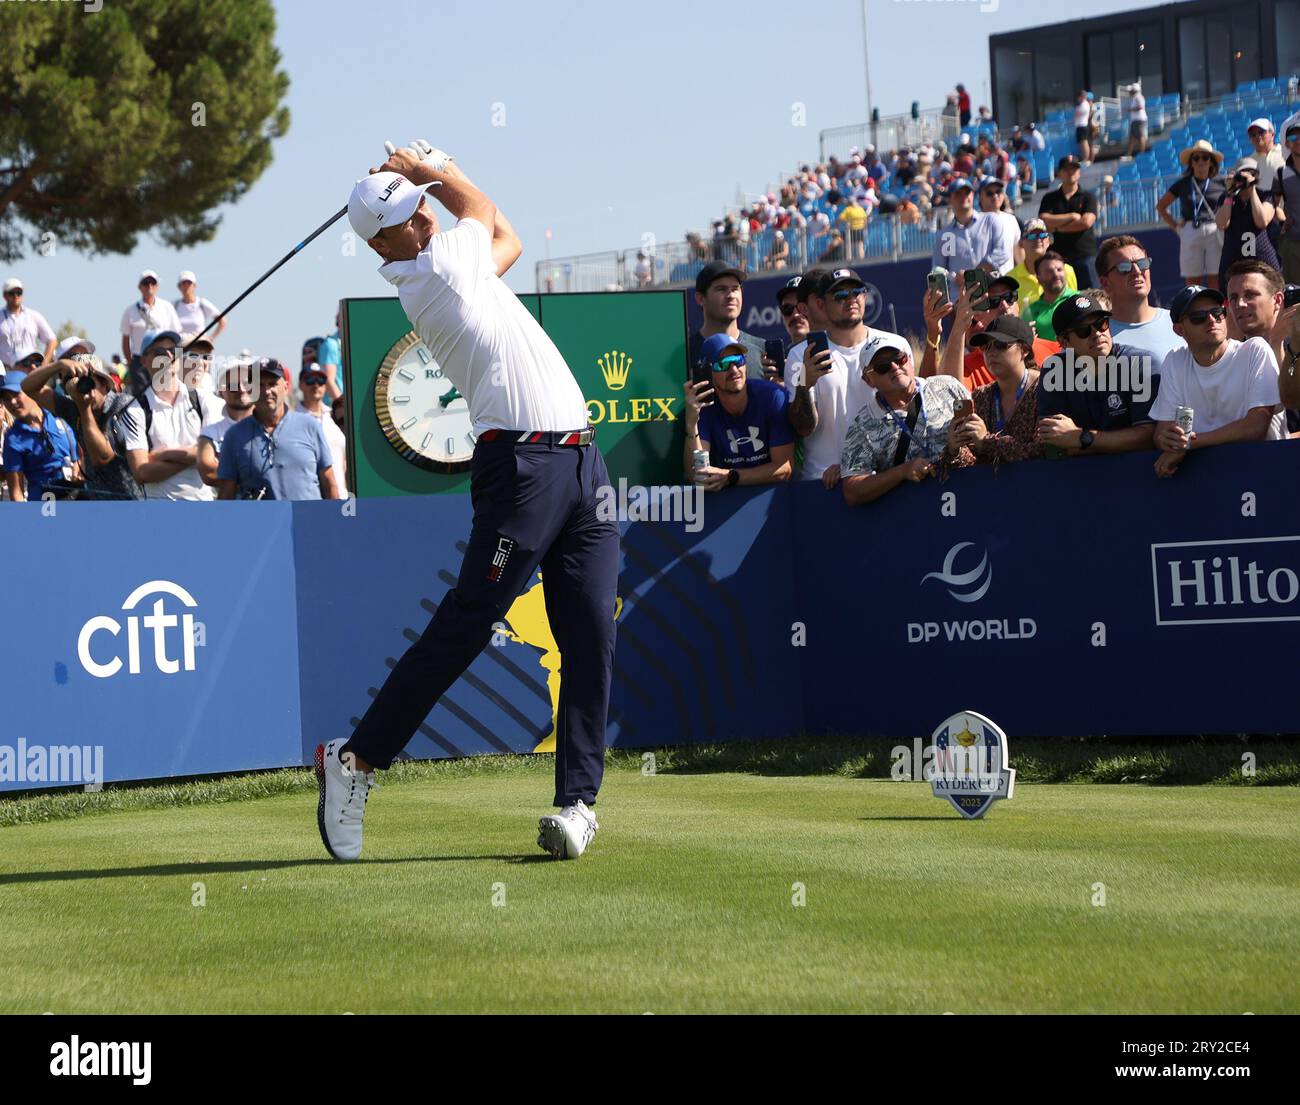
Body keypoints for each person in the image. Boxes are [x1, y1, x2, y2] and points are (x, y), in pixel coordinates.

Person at [321, 139, 619, 865]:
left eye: (419, 204)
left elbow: (505, 235)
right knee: (469, 621)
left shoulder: (458, 265)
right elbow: (481, 211)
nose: (422, 214)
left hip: (583, 462)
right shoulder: (438, 275)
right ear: (381, 242)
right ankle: (356, 761)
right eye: (405, 213)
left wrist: (426, 181)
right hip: (523, 468)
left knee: (589, 634)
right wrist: (437, 167)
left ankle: (577, 805)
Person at [1149, 285, 1285, 479]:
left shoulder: (1255, 349)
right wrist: (1168, 441)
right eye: (1198, 317)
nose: (1211, 320)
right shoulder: (1175, 360)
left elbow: (1256, 427)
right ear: (1179, 330)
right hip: (1207, 477)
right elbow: (1162, 432)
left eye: (1217, 312)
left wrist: (1189, 443)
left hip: (1265, 472)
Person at [789, 268, 903, 482]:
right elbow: (802, 428)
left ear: (865, 296)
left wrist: (856, 464)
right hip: (824, 480)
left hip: (883, 476)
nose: (850, 299)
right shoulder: (800, 356)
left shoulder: (895, 346)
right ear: (821, 305)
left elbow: (908, 411)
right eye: (840, 295)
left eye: (857, 291)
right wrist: (805, 384)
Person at [839, 334, 973, 504]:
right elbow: (852, 491)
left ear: (909, 360)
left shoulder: (947, 386)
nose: (895, 367)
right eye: (882, 367)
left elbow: (980, 432)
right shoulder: (862, 426)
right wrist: (902, 472)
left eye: (900, 359)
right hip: (914, 514)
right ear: (868, 380)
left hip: (966, 497)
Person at [1035, 291, 1158, 456]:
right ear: (1064, 341)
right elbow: (1054, 442)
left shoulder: (1139, 363)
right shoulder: (1054, 370)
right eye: (1084, 330)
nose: (1097, 334)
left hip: (1135, 473)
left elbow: (1147, 437)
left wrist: (1082, 438)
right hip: (1080, 476)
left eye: (1102, 323)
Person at [120, 329, 225, 500]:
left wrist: (165, 454)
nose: (169, 355)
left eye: (174, 350)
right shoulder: (134, 410)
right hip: (159, 517)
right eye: (160, 352)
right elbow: (141, 472)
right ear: (144, 361)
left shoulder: (204, 400)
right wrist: (195, 456)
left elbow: (213, 458)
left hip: (203, 512)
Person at [217, 358, 340, 501]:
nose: (266, 391)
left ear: (286, 387)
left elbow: (329, 482)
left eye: (272, 384)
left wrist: (335, 518)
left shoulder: (310, 425)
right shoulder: (234, 435)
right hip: (260, 522)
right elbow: (226, 492)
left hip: (308, 521)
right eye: (259, 385)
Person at [682, 333, 793, 490]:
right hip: (725, 504)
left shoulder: (772, 397)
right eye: (723, 364)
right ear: (708, 372)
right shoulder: (703, 407)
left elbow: (785, 469)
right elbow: (697, 475)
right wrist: (692, 423)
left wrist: (730, 477)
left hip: (770, 499)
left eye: (738, 360)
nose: (734, 370)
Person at [949, 314, 1043, 464]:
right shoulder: (981, 396)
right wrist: (955, 449)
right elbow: (972, 460)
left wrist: (986, 442)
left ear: (1025, 349)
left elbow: (1042, 452)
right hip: (991, 487)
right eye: (985, 347)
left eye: (1000, 344)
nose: (991, 352)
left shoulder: (1045, 390)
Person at [1225, 260, 1300, 430]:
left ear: (1277, 300)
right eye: (1233, 298)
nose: (1240, 304)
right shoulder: (1228, 357)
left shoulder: (1297, 345)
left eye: (1250, 295)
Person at [1098, 235, 1184, 362]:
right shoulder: (1095, 337)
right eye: (1124, 267)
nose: (1137, 271)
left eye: (1142, 264)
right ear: (1105, 283)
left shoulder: (1178, 323)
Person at [0, 369, 80, 501]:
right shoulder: (13, 438)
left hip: (78, 500)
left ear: (29, 391)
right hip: (44, 509)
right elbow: (17, 493)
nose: (12, 402)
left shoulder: (59, 417)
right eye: (6, 399)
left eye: (16, 394)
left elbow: (79, 460)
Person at [1158, 141, 1227, 289]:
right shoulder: (1183, 183)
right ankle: (1194, 309)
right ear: (1191, 163)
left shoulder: (1222, 181)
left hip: (1215, 229)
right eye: (1196, 158)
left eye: (1205, 158)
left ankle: (1216, 309)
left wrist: (1226, 222)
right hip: (1190, 229)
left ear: (1211, 161)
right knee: (1192, 280)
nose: (1201, 161)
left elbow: (1232, 202)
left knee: (1215, 276)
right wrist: (1176, 227)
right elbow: (1161, 206)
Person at [689, 259, 765, 379]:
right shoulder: (685, 354)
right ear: (700, 298)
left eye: (735, 289)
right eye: (721, 289)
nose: (730, 296)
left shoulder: (762, 350)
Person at [1215, 157, 1280, 288]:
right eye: (1243, 173)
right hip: (1233, 262)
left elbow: (1261, 221)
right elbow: (1222, 224)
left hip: (1263, 260)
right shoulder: (1227, 198)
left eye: (1252, 173)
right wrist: (1229, 193)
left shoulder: (1266, 196)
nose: (1247, 177)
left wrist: (1252, 190)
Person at [1038, 156, 1100, 287]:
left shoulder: (1088, 197)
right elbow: (1044, 221)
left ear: (1079, 172)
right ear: (1060, 173)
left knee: (1091, 298)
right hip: (1059, 260)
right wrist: (1072, 216)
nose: (1070, 172)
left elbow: (1086, 222)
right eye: (1066, 169)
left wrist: (1058, 227)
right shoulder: (1050, 198)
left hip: (1084, 256)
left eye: (1074, 169)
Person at [197, 356, 256, 487]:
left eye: (247, 384)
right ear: (221, 392)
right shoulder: (210, 434)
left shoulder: (269, 428)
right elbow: (209, 474)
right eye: (233, 385)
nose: (241, 389)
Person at [297, 359, 349, 495]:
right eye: (310, 380)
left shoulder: (333, 417)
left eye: (320, 380)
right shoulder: (292, 420)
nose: (316, 385)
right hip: (311, 500)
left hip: (342, 499)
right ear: (301, 385)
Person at [1006, 219, 1076, 313]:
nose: (1038, 239)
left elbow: (1075, 305)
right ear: (1021, 242)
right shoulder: (1011, 278)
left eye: (1042, 235)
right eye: (1032, 236)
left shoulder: (1066, 271)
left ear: (1048, 241)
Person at [930, 178, 996, 277]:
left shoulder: (989, 221)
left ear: (973, 195)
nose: (963, 197)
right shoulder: (945, 235)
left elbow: (1001, 253)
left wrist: (975, 272)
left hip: (989, 289)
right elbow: (939, 270)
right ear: (950, 198)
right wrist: (954, 277)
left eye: (967, 193)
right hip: (959, 291)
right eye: (958, 194)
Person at [120, 271, 183, 361]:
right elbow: (125, 340)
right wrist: (131, 365)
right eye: (145, 283)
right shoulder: (130, 311)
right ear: (139, 287)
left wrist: (177, 359)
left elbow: (177, 335)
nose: (149, 286)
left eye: (153, 283)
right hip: (140, 360)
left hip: (164, 357)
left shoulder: (167, 307)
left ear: (157, 286)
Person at [0, 277, 57, 368]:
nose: (16, 296)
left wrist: (44, 364)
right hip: (6, 369)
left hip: (31, 369)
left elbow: (52, 340)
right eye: (12, 293)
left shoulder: (34, 316)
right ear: (5, 296)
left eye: (19, 293)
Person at [1026, 252, 1074, 341]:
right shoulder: (1030, 311)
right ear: (1038, 279)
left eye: (1059, 270)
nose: (1056, 274)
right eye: (1049, 271)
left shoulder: (1078, 300)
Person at [977, 178, 1020, 275]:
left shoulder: (1011, 220)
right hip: (982, 283)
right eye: (989, 193)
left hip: (1007, 283)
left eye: (998, 192)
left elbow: (1017, 254)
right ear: (980, 197)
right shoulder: (974, 222)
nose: (995, 196)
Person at [173, 271, 225, 343]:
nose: (186, 286)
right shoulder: (174, 305)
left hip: (199, 345)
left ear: (195, 286)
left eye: (189, 283)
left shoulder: (202, 303)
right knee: (176, 353)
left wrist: (211, 339)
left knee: (201, 353)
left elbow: (223, 321)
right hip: (180, 345)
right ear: (179, 287)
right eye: (183, 283)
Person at [1278, 116, 1300, 283]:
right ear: (1287, 144)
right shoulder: (1280, 173)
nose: (1298, 140)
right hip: (1293, 243)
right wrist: (1283, 220)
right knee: (1294, 297)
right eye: (1293, 138)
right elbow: (1273, 205)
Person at [316, 312, 345, 404]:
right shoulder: (331, 344)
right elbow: (329, 380)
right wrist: (344, 408)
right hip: (336, 409)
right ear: (337, 318)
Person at [1124, 83, 1148, 159]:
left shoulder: (1139, 97)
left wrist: (1130, 109)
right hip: (1135, 120)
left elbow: (1141, 107)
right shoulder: (1135, 98)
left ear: (1134, 91)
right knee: (1132, 138)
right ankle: (1128, 155)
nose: (1129, 92)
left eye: (1131, 90)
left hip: (1139, 120)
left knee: (1140, 136)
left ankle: (1142, 154)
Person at [1073, 91, 1093, 165]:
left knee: (1084, 143)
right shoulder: (1083, 104)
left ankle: (1086, 159)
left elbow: (1077, 115)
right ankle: (1085, 158)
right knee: (1082, 143)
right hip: (1080, 126)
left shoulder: (1084, 105)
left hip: (1082, 126)